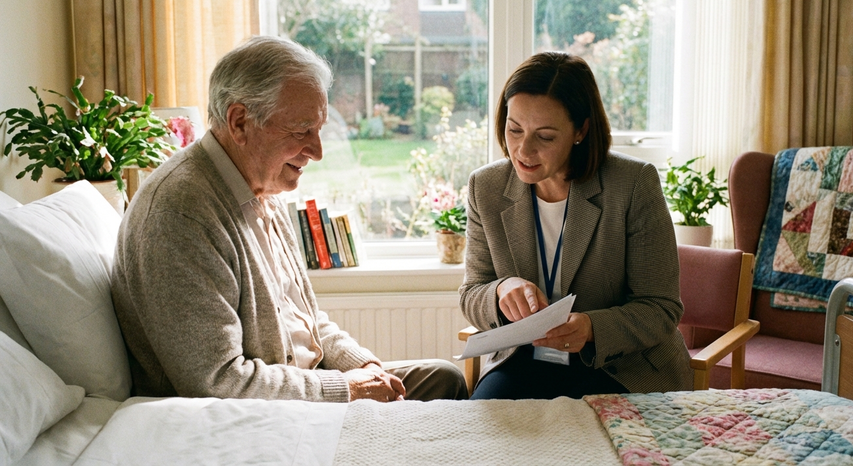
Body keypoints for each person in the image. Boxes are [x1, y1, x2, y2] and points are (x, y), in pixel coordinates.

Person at [111, 36, 467, 403]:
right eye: (301, 131)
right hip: (260, 415)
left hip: (306, 384)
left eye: (318, 129)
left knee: (444, 378)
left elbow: (307, 322)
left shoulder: (262, 190)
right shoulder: (180, 213)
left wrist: (362, 367)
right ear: (239, 122)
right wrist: (348, 389)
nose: (317, 151)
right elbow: (219, 381)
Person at [460, 51, 692, 400]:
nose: (523, 149)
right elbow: (471, 293)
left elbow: (660, 308)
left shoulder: (632, 184)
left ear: (581, 130)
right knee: (480, 439)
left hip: (619, 366)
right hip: (525, 361)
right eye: (514, 129)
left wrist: (591, 328)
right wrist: (499, 291)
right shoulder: (486, 187)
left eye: (546, 137)